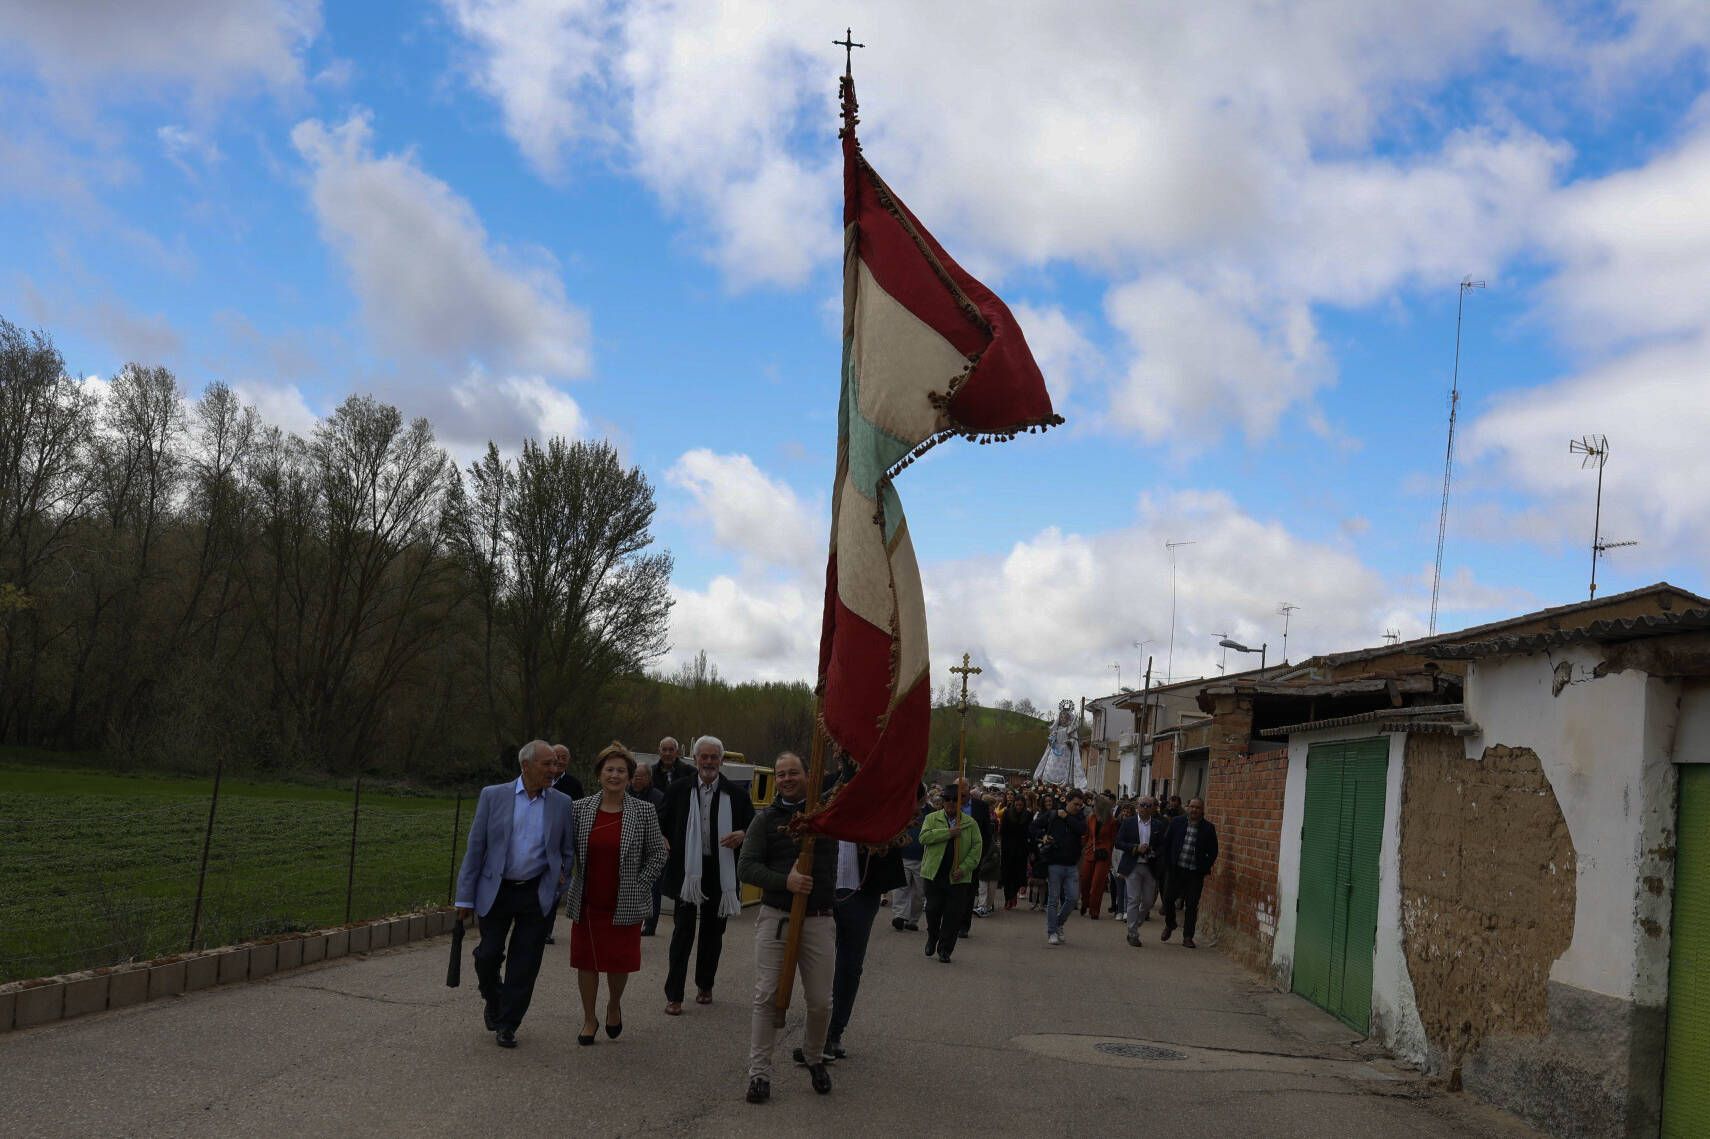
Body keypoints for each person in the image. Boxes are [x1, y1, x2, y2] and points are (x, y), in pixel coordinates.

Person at [453, 740, 577, 1048]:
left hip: (536, 894)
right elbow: (476, 848)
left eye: (556, 764)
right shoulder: (493, 796)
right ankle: (494, 998)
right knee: (488, 954)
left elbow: (567, 851)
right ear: (525, 766)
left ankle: (508, 1024)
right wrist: (464, 898)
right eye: (547, 764)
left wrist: (561, 880)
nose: (554, 770)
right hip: (496, 891)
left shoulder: (561, 802)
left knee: (525, 963)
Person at [738, 751, 837, 1104]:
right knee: (765, 995)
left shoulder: (827, 815)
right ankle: (759, 1074)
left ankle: (813, 1056)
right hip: (777, 918)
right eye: (780, 774)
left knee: (821, 1002)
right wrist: (786, 881)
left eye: (792, 772)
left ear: (808, 775)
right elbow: (746, 868)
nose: (786, 779)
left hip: (819, 920)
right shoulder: (765, 821)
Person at [565, 742, 667, 1044]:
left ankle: (613, 1005)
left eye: (621, 770)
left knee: (617, 961)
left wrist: (640, 885)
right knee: (585, 961)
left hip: (624, 900)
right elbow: (566, 851)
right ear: (599, 774)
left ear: (629, 776)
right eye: (609, 769)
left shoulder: (644, 811)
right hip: (588, 899)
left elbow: (657, 855)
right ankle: (588, 1018)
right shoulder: (579, 809)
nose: (614, 775)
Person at [659, 734, 754, 1014]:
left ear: (721, 761)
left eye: (714, 757)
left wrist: (743, 834)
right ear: (695, 759)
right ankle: (674, 994)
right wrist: (663, 837)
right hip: (688, 871)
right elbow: (660, 820)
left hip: (720, 871)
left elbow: (754, 828)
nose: (709, 762)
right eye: (704, 756)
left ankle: (705, 984)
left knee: (713, 934)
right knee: (682, 933)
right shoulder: (678, 789)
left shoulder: (735, 794)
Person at [820, 822, 905, 1062]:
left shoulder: (878, 796)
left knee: (848, 966)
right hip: (822, 889)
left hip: (861, 893)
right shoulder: (826, 790)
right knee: (817, 965)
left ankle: (833, 1033)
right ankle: (816, 1032)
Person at [919, 783, 981, 963]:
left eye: (955, 800)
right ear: (942, 801)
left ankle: (945, 949)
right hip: (934, 874)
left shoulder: (970, 824)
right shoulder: (932, 818)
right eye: (947, 799)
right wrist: (948, 833)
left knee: (953, 915)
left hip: (958, 878)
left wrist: (963, 869)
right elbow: (924, 837)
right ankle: (932, 936)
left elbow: (976, 849)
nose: (951, 803)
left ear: (961, 803)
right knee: (932, 910)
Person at [1160, 797, 1219, 949]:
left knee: (1192, 904)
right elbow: (1166, 843)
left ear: (1202, 810)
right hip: (1175, 869)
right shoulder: (1177, 823)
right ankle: (1170, 923)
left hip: (1195, 872)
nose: (1194, 810)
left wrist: (1205, 866)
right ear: (1187, 807)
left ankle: (1188, 936)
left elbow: (1213, 851)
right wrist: (1167, 864)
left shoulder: (1208, 828)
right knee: (1168, 899)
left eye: (1197, 808)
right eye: (1192, 806)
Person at [541, 745, 583, 945]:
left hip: (559, 842)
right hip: (539, 839)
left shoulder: (573, 785)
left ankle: (546, 930)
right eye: (556, 756)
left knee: (554, 886)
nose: (559, 760)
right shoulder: (540, 779)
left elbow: (578, 813)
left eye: (563, 757)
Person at [1116, 796, 1168, 947]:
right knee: (1133, 899)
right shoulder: (1128, 822)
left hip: (1150, 866)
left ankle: (1136, 923)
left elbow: (1163, 846)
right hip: (1133, 865)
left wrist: (1153, 851)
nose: (1145, 808)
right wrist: (1135, 848)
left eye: (1148, 805)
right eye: (1142, 805)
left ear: (1153, 808)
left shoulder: (1158, 825)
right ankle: (1132, 933)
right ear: (1137, 806)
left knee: (1147, 901)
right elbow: (1118, 842)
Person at [1037, 791, 1086, 946]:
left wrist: (1068, 817)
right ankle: (1052, 932)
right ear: (1067, 802)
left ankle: (1058, 923)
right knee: (1053, 900)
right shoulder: (1053, 815)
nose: (1078, 807)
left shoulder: (1079, 818)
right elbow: (1033, 826)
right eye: (1075, 804)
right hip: (1054, 864)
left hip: (1072, 865)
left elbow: (1082, 830)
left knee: (1072, 898)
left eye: (1080, 805)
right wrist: (1042, 836)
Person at [629, 764, 668, 935]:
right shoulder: (624, 794)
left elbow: (662, 822)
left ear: (648, 778)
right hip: (629, 849)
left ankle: (650, 925)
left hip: (650, 848)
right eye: (634, 776)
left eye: (640, 776)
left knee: (653, 888)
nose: (637, 779)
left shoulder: (658, 797)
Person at [890, 789, 927, 931]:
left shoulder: (930, 812)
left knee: (919, 892)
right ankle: (899, 916)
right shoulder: (904, 809)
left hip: (922, 858)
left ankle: (912, 920)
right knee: (901, 887)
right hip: (904, 855)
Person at [1078, 792, 1117, 920]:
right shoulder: (1091, 818)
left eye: (1095, 804)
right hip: (1090, 851)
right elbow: (1087, 835)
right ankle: (1085, 903)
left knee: (1097, 883)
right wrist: (1082, 847)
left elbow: (1112, 839)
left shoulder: (1112, 821)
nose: (1093, 806)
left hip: (1103, 854)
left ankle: (1094, 910)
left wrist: (1109, 853)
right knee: (1084, 880)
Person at [998, 793, 1033, 909]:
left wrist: (1030, 848)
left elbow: (1030, 832)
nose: (1019, 807)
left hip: (1021, 849)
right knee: (1007, 874)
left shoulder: (1028, 815)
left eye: (1021, 805)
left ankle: (1013, 895)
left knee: (1018, 875)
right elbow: (1002, 831)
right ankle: (1008, 898)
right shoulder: (1007, 813)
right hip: (1008, 849)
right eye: (1017, 805)